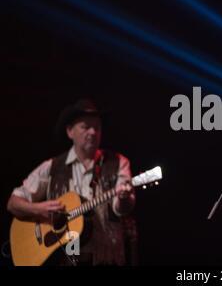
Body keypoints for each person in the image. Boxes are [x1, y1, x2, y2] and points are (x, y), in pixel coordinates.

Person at [7, 99, 136, 265]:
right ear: (70, 131)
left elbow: (122, 209)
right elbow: (13, 203)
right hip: (65, 261)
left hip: (108, 258)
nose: (92, 132)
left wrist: (124, 197)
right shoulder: (52, 167)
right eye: (85, 127)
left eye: (97, 127)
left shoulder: (119, 162)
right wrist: (40, 209)